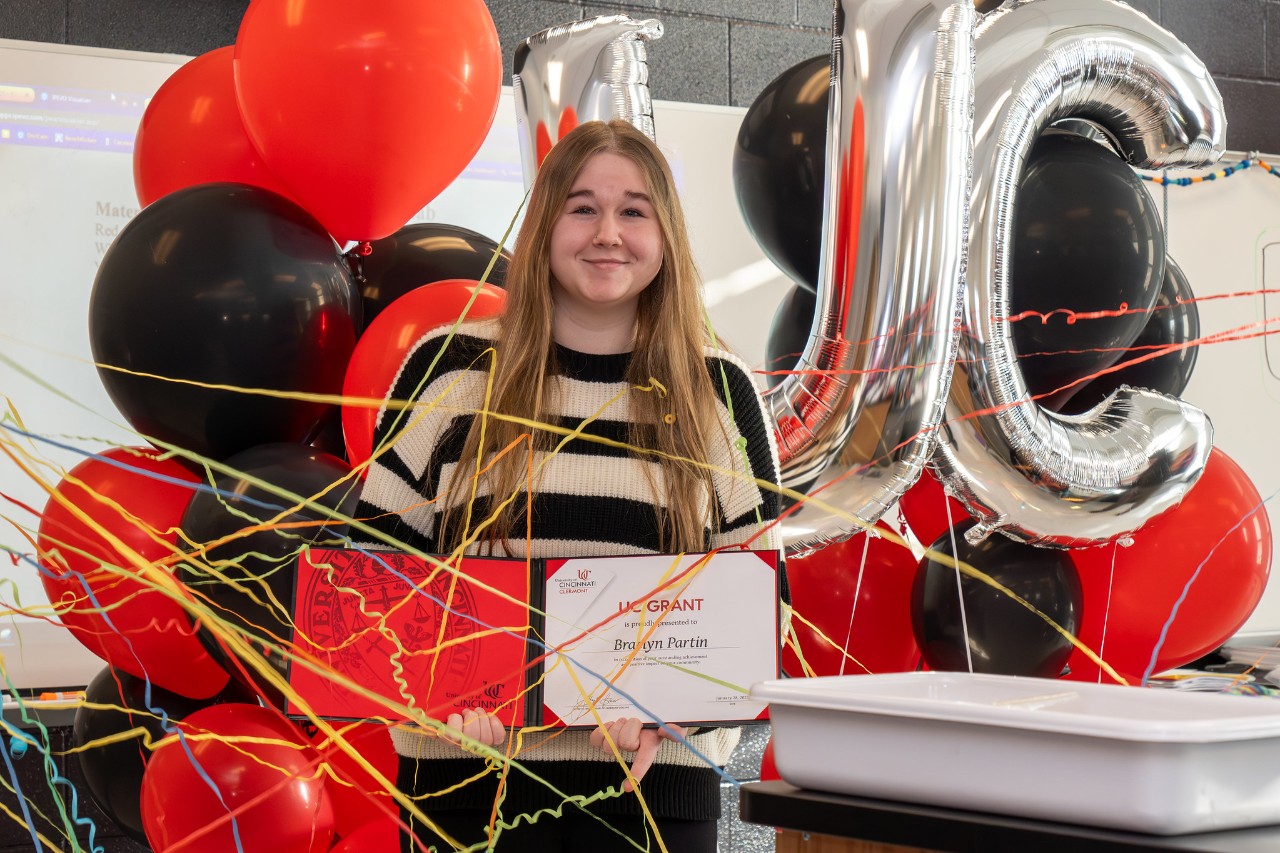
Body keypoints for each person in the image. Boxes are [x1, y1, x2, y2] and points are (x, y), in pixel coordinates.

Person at [353, 118, 782, 852]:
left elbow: (762, 612)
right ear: (545, 224)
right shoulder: (447, 366)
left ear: (665, 235)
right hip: (462, 785)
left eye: (633, 210)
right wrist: (438, 700)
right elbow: (369, 572)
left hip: (650, 793)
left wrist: (667, 713)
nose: (607, 232)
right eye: (582, 207)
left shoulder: (720, 389)